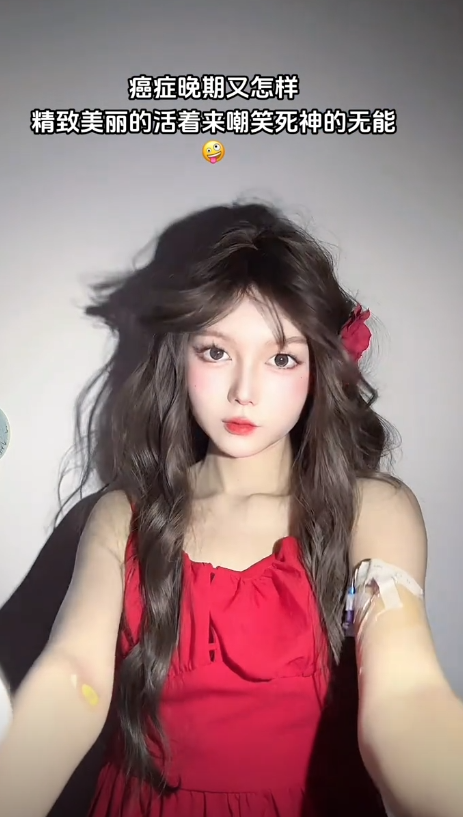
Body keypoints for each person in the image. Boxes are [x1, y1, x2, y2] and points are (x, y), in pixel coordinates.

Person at [0, 201, 462, 817]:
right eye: (216, 352)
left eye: (281, 358)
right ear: (180, 355)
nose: (244, 391)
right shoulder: (121, 516)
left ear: (320, 369)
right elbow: (72, 679)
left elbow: (407, 694)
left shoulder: (372, 511)